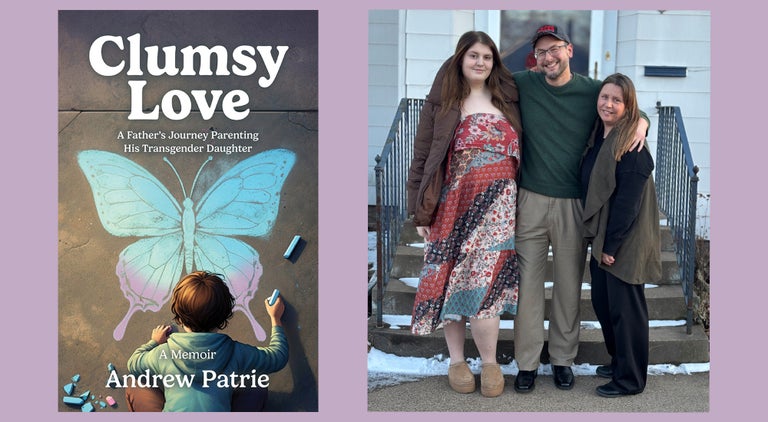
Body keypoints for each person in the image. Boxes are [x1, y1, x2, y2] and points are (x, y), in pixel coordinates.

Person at [406, 30, 523, 398]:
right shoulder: (443, 103)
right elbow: (423, 156)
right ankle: (457, 360)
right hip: (452, 206)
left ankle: (489, 363)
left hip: (499, 212)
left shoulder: (508, 99)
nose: (480, 63)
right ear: (461, 58)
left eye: (487, 57)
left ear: (494, 63)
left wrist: (640, 118)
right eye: (473, 55)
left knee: (486, 283)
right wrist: (420, 211)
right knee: (451, 279)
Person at [581, 73, 661, 398]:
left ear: (628, 107)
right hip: (604, 232)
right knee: (603, 301)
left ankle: (630, 378)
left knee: (626, 309)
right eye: (604, 97)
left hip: (624, 236)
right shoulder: (600, 134)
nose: (608, 104)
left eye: (617, 99)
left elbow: (628, 200)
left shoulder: (631, 142)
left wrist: (612, 244)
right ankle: (619, 361)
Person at [125, 271, 288, 411]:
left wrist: (154, 342)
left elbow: (133, 363)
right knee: (257, 384)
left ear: (179, 318)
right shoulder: (237, 353)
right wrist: (275, 319)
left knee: (135, 382)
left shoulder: (162, 353)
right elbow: (278, 357)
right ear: (222, 318)